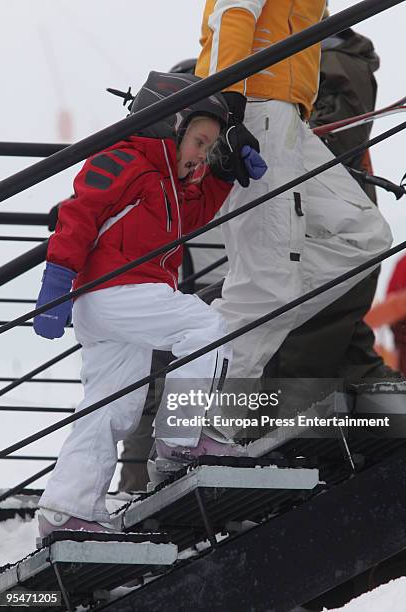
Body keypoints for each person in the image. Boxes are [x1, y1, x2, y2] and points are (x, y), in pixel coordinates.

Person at [33, 70, 266, 535]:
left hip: (124, 303)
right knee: (207, 329)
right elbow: (79, 213)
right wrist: (56, 279)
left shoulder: (170, 186)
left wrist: (222, 175)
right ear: (171, 125)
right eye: (200, 142)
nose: (202, 155)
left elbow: (194, 216)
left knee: (112, 405)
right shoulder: (122, 159)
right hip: (116, 290)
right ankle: (182, 438)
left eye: (209, 147)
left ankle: (68, 509)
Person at [191, 0, 392, 432]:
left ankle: (215, 332)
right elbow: (233, 10)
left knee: (362, 235)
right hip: (256, 107)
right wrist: (226, 106)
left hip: (286, 114)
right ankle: (203, 429)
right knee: (264, 285)